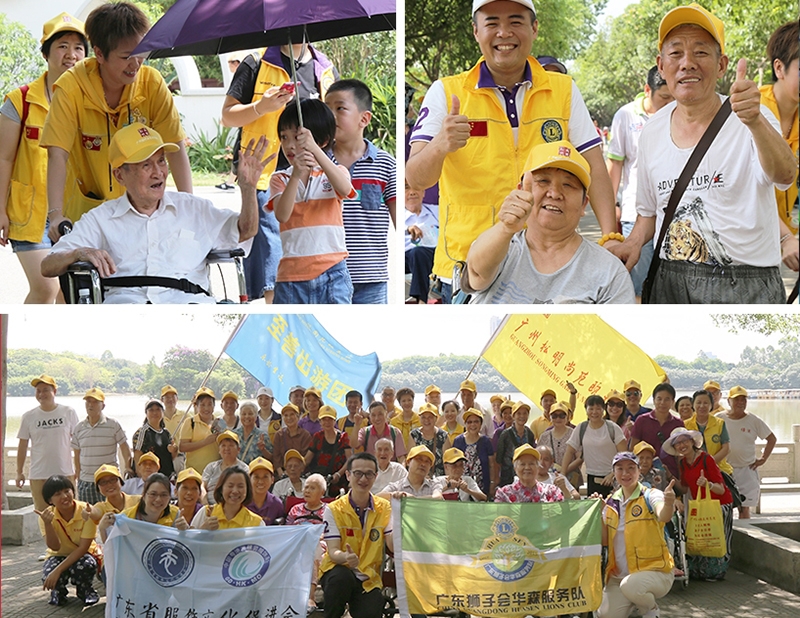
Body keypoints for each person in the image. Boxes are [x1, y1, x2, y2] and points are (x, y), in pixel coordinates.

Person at [406, 0, 618, 304]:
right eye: (492, 23)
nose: (504, 33)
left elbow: (594, 166)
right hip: (469, 271)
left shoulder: (564, 90)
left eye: (515, 21)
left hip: (546, 268)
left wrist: (609, 236)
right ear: (475, 31)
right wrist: (441, 144)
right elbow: (416, 178)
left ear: (534, 28)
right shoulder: (446, 92)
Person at [610, 3, 796, 303]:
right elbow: (648, 213)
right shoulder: (653, 131)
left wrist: (755, 122)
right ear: (661, 65)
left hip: (746, 283)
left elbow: (785, 176)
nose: (687, 63)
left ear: (721, 65)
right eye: (675, 53)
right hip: (669, 280)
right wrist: (632, 243)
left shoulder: (752, 115)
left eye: (700, 52)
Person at [41, 124, 269, 303]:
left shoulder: (193, 208)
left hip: (187, 306)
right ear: (120, 175)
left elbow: (246, 231)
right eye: (146, 165)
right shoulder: (101, 218)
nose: (158, 172)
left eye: (161, 161)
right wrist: (79, 253)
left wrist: (248, 190)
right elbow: (48, 265)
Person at [40, 2, 192, 240]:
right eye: (126, 57)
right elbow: (57, 153)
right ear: (99, 54)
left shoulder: (152, 83)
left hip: (143, 213)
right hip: (86, 218)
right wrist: (56, 215)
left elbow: (175, 146)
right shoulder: (71, 87)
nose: (136, 63)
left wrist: (188, 205)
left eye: (142, 53)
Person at [222, 43, 338, 303]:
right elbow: (227, 116)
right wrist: (261, 107)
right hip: (267, 174)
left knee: (316, 253)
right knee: (273, 262)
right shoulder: (255, 62)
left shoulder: (324, 67)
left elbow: (335, 122)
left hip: (315, 178)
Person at [466, 140, 634, 304]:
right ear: (521, 191)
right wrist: (505, 228)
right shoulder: (500, 246)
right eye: (543, 181)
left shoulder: (609, 271)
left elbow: (617, 330)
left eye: (568, 185)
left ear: (584, 204)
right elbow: (477, 275)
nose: (554, 193)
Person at [0, 12, 87, 303]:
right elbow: (3, 159)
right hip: (30, 215)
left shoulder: (91, 102)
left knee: (68, 292)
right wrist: (0, 209)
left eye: (78, 47)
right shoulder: (19, 101)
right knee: (46, 287)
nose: (71, 54)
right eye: (62, 46)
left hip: (74, 213)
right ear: (46, 52)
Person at [267, 99, 355, 304]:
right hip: (291, 278)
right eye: (283, 137)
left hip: (332, 273)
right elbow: (282, 214)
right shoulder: (281, 178)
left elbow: (344, 188)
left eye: (298, 138)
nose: (289, 145)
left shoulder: (335, 172)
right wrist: (296, 175)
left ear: (322, 141)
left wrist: (315, 151)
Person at [325, 79, 397, 304]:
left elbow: (399, 221)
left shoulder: (386, 164)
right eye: (327, 110)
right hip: (325, 277)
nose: (331, 116)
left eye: (340, 108)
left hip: (370, 279)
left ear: (364, 119)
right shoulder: (317, 162)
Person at [606, 66, 675, 297]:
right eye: (664, 98)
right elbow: (615, 166)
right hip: (635, 215)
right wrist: (611, 206)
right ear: (648, 90)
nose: (669, 103)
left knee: (668, 285)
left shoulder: (681, 115)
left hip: (673, 216)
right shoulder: (626, 116)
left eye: (672, 98)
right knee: (636, 283)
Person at [597, 452, 675, 618]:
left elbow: (663, 515)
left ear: (639, 471)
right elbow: (605, 540)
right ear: (614, 473)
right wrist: (598, 514)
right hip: (619, 577)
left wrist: (669, 503)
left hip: (655, 571)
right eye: (620, 469)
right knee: (605, 615)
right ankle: (633, 601)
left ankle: (649, 608)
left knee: (632, 586)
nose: (625, 473)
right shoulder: (610, 502)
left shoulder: (650, 494)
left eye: (631, 468)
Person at [319, 453, 393, 618]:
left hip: (368, 578)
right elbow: (333, 552)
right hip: (339, 570)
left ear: (376, 476)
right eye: (358, 473)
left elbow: (392, 544)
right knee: (340, 579)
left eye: (369, 474)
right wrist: (346, 556)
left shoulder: (385, 508)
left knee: (371, 611)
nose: (363, 479)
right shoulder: (333, 509)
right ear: (348, 475)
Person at [664, 427, 733, 580]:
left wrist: (707, 484)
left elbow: (721, 489)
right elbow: (684, 488)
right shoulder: (683, 463)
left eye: (684, 441)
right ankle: (703, 572)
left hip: (719, 505)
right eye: (677, 443)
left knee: (719, 538)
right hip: (700, 506)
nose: (682, 445)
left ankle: (718, 572)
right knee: (702, 537)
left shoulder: (706, 459)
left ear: (692, 441)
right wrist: (669, 476)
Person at [759, 21, 799, 272]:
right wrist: (785, 237)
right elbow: (745, 191)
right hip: (751, 244)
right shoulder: (753, 111)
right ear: (779, 68)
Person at [16, 374, 79, 530]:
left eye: (46, 390)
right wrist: (19, 471)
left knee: (70, 512)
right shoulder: (29, 416)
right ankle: (50, 549)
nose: (41, 394)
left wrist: (79, 467)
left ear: (54, 391)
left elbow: (78, 442)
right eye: (38, 391)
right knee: (45, 515)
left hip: (64, 472)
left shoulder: (68, 412)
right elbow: (23, 445)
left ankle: (71, 547)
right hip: (39, 474)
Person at [36, 475, 100, 606]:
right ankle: (58, 592)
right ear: (50, 500)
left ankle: (85, 591)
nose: (64, 496)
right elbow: (54, 547)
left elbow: (83, 548)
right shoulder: (46, 516)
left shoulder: (85, 511)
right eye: (57, 494)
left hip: (83, 554)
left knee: (85, 565)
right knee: (49, 572)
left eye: (67, 491)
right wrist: (48, 524)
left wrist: (57, 571)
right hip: (59, 555)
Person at [717, 385, 776, 518]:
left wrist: (763, 458)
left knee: (744, 509)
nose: (741, 402)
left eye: (743, 399)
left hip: (747, 470)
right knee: (725, 508)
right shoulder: (719, 418)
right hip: (724, 470)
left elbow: (771, 439)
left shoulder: (753, 420)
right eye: (737, 399)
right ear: (729, 401)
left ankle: (746, 536)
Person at [71, 387, 132, 504]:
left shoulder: (113, 424)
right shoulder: (79, 428)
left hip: (108, 480)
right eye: (88, 401)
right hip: (87, 480)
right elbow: (77, 452)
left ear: (103, 406)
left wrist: (128, 467)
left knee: (112, 516)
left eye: (95, 402)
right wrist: (78, 472)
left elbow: (124, 446)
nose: (91, 405)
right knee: (89, 516)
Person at [562, 395, 627, 498]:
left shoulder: (612, 428)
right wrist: (563, 474)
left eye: (598, 409)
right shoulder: (581, 428)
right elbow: (569, 451)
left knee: (614, 509)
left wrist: (613, 473)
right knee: (595, 509)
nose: (594, 412)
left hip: (613, 477)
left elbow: (624, 455)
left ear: (603, 410)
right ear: (586, 410)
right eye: (591, 408)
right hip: (592, 477)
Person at [100, 473, 187, 543]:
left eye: (164, 495)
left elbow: (184, 545)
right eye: (153, 494)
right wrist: (102, 528)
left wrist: (184, 531)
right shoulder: (127, 517)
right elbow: (111, 546)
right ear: (144, 495)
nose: (158, 499)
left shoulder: (175, 514)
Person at [286, 473, 329, 613]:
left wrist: (315, 537)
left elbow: (331, 532)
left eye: (312, 488)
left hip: (320, 544)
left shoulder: (329, 510)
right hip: (297, 543)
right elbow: (288, 531)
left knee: (312, 548)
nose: (307, 491)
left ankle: (310, 596)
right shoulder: (295, 510)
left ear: (322, 492)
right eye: (306, 487)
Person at [630, 383, 685, 479]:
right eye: (659, 399)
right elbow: (633, 449)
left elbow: (681, 454)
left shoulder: (678, 424)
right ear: (654, 400)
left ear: (672, 402)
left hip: (671, 473)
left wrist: (681, 478)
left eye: (667, 399)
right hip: (645, 474)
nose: (662, 402)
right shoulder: (642, 420)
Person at [192, 465, 265, 529]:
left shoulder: (257, 523)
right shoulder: (206, 513)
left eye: (240, 486)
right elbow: (189, 541)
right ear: (221, 488)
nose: (235, 491)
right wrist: (202, 530)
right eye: (230, 486)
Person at [306, 406, 353, 496]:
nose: (327, 422)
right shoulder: (317, 437)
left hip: (339, 481)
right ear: (320, 421)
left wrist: (338, 474)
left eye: (330, 419)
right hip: (319, 481)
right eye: (324, 419)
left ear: (334, 421)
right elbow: (308, 458)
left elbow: (349, 459)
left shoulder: (343, 437)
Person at [404, 181, 438, 303]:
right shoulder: (398, 215)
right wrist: (407, 230)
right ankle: (421, 301)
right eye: (406, 188)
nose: (412, 192)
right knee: (417, 253)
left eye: (416, 188)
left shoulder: (436, 211)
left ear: (423, 192)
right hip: (406, 259)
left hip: (434, 256)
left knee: (420, 253)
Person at [684, 389, 732, 475]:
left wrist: (710, 463)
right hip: (694, 470)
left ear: (711, 405)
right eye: (698, 402)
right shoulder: (686, 425)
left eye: (706, 403)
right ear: (693, 405)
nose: (702, 406)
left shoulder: (719, 423)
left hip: (720, 470)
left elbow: (726, 448)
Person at [494, 444, 564, 503]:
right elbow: (499, 517)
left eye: (531, 464)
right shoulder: (504, 494)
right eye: (522, 464)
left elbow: (566, 513)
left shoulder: (551, 491)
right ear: (515, 468)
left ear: (538, 467)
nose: (527, 467)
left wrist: (566, 491)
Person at [452, 408, 495, 498]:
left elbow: (491, 464)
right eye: (469, 422)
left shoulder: (486, 441)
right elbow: (453, 464)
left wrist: (492, 483)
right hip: (463, 486)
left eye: (476, 421)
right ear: (465, 424)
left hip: (482, 485)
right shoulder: (458, 441)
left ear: (481, 424)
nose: (473, 425)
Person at [131, 398, 177, 479]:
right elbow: (137, 455)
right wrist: (140, 476)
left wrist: (174, 451)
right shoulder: (142, 432)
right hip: (149, 477)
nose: (155, 413)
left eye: (158, 409)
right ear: (146, 413)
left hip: (166, 476)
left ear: (163, 412)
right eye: (151, 410)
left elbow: (172, 456)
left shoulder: (166, 432)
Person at [179, 387, 221, 474]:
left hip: (215, 473)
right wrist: (205, 442)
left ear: (214, 406)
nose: (206, 408)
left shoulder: (219, 423)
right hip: (194, 472)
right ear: (196, 406)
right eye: (202, 405)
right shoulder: (190, 422)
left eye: (210, 404)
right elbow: (182, 447)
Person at [495, 401, 536, 488]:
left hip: (526, 475)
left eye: (525, 413)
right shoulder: (505, 434)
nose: (522, 416)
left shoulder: (529, 434)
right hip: (508, 476)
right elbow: (499, 459)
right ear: (513, 416)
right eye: (519, 413)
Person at [202, 430, 249, 505]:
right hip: (210, 506)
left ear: (238, 450)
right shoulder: (211, 467)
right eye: (223, 445)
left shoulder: (244, 469)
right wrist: (205, 504)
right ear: (219, 450)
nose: (227, 448)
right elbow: (202, 486)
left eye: (231, 445)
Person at [271, 403, 312, 477]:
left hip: (301, 474)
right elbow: (276, 457)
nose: (289, 418)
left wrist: (294, 472)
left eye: (292, 414)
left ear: (298, 416)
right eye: (286, 415)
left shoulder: (305, 435)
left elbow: (305, 458)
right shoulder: (279, 435)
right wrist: (282, 473)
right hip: (283, 475)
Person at [410, 403, 449, 476]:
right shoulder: (414, 435)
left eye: (430, 417)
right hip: (419, 476)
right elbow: (411, 459)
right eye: (423, 417)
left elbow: (448, 462)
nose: (426, 420)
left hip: (439, 478)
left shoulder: (443, 436)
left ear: (436, 418)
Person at [245, 457, 284, 525]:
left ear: (272, 479)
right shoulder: (242, 502)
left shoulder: (277, 504)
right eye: (256, 477)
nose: (260, 481)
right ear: (249, 479)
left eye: (265, 477)